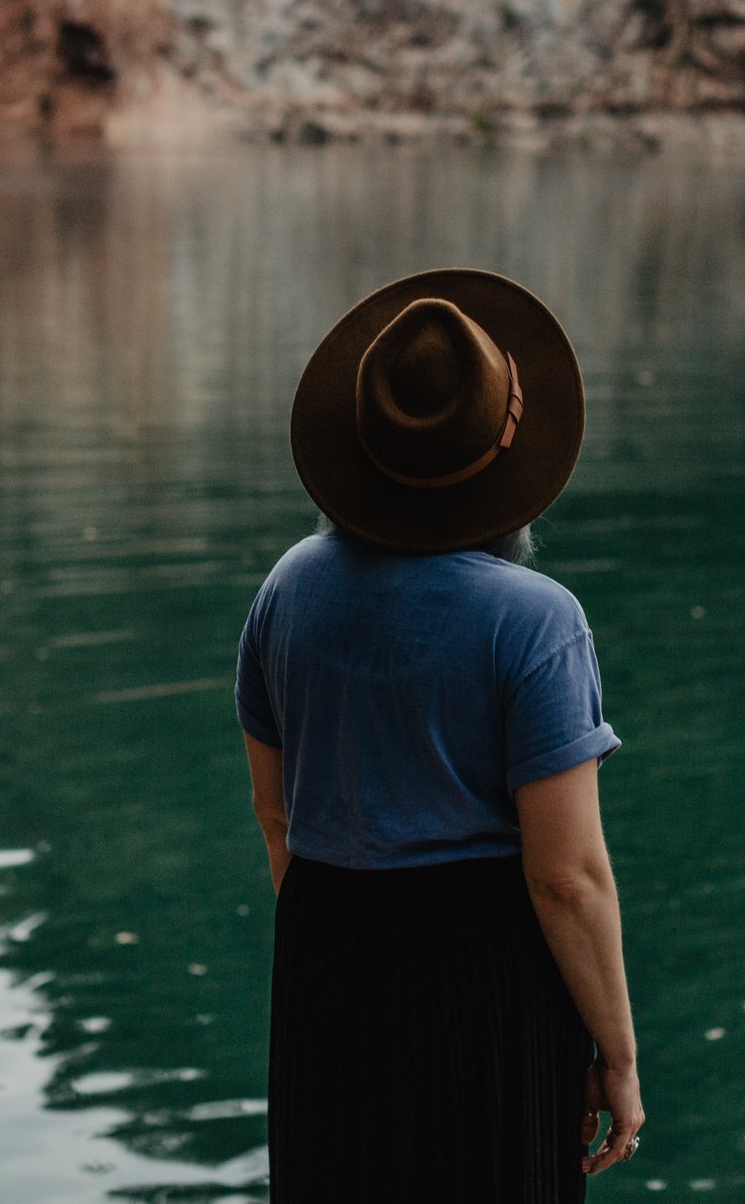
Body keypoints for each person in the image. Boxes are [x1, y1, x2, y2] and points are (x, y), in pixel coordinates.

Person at [235, 268, 643, 1203]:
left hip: (325, 950)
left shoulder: (287, 590)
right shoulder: (536, 619)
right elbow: (565, 875)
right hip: (483, 974)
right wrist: (616, 1054)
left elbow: (276, 815)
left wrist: (342, 953)